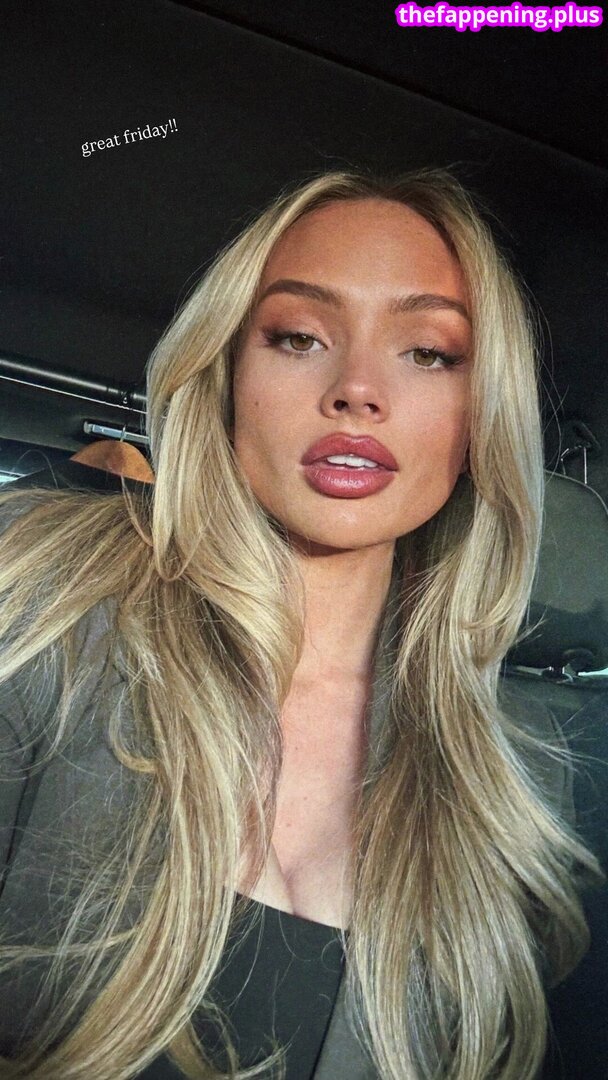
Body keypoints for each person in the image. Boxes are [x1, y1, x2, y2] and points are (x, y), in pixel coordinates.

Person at [0, 168, 604, 1080]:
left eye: (428, 352)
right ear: (226, 376)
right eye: (298, 336)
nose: (357, 388)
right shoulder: (38, 603)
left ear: (480, 419)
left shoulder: (535, 795)